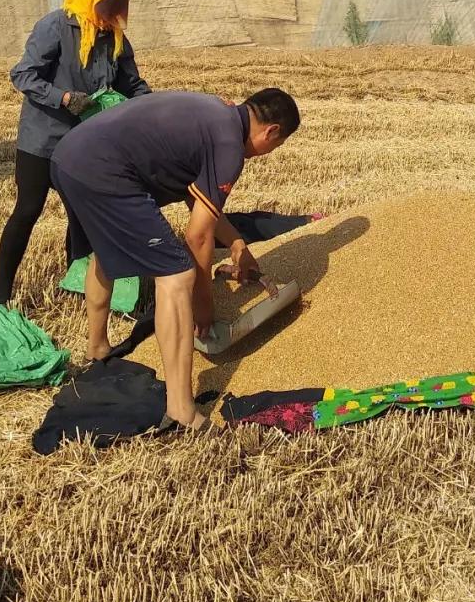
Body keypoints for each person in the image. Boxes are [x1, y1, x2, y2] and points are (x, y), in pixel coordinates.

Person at [50, 87, 300, 431]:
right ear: (270, 131)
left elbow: (196, 200)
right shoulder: (230, 146)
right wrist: (204, 308)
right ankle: (182, 408)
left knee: (108, 252)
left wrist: (238, 243)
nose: (270, 152)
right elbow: (197, 236)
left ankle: (98, 348)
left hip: (70, 156)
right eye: (277, 145)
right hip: (104, 169)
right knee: (178, 274)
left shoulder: (216, 114)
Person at [0, 0, 151, 304]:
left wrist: (151, 108)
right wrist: (63, 97)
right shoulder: (54, 26)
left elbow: (133, 84)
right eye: (113, 0)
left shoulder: (115, 38)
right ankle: (1, 296)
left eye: (122, 0)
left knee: (82, 216)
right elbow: (23, 75)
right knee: (27, 210)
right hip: (42, 141)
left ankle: (77, 286)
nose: (119, 8)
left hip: (84, 146)